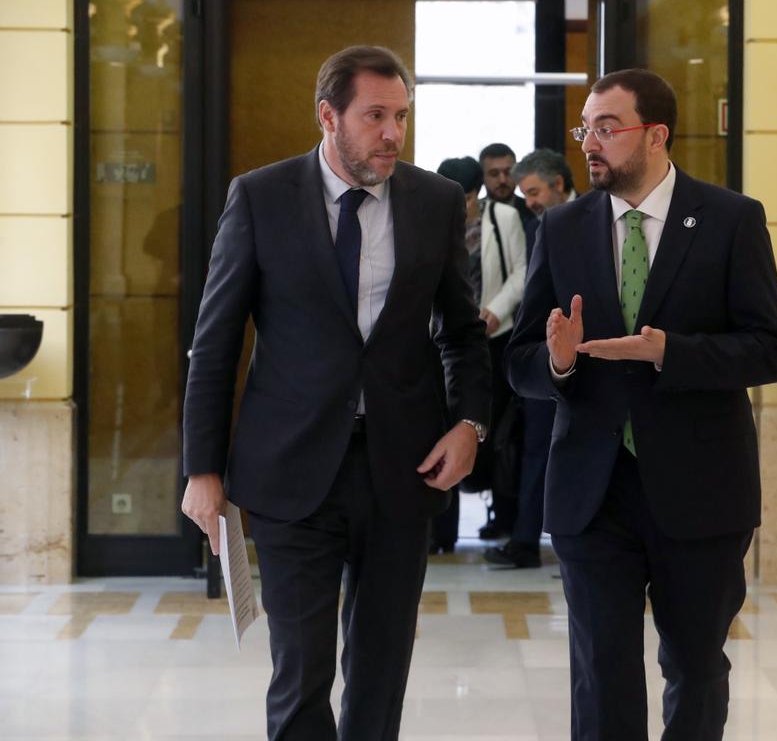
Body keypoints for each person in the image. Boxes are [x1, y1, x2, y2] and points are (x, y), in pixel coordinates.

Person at [181, 45, 491, 741]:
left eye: (401, 116)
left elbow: (464, 335)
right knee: (301, 670)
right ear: (329, 117)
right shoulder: (260, 197)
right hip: (290, 472)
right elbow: (216, 343)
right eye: (375, 115)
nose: (392, 133)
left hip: (403, 470)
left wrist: (471, 423)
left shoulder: (435, 202)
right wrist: (202, 470)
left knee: (382, 669)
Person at [505, 69, 777, 740]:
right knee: (601, 673)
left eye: (607, 128)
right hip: (592, 493)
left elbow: (770, 349)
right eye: (584, 129)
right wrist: (560, 361)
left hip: (700, 492)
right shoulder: (564, 228)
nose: (589, 144)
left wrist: (671, 353)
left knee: (693, 668)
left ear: (656, 135)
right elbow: (521, 363)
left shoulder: (730, 220)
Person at [483, 148, 575, 569]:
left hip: (587, 358)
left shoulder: (593, 220)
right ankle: (525, 540)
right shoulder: (539, 225)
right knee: (538, 447)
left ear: (558, 183)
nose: (530, 201)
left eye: (534, 192)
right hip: (544, 361)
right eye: (526, 194)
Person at [435, 155, 526, 550]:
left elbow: (523, 271)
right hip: (444, 344)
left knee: (497, 434)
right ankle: (440, 532)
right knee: (442, 429)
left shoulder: (503, 219)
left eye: (468, 197)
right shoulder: (429, 220)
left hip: (495, 338)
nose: (462, 207)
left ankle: (504, 519)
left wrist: (497, 310)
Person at [479, 141, 533, 226]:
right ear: (482, 177)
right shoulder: (472, 214)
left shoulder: (532, 210)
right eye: (494, 174)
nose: (502, 180)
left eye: (508, 172)